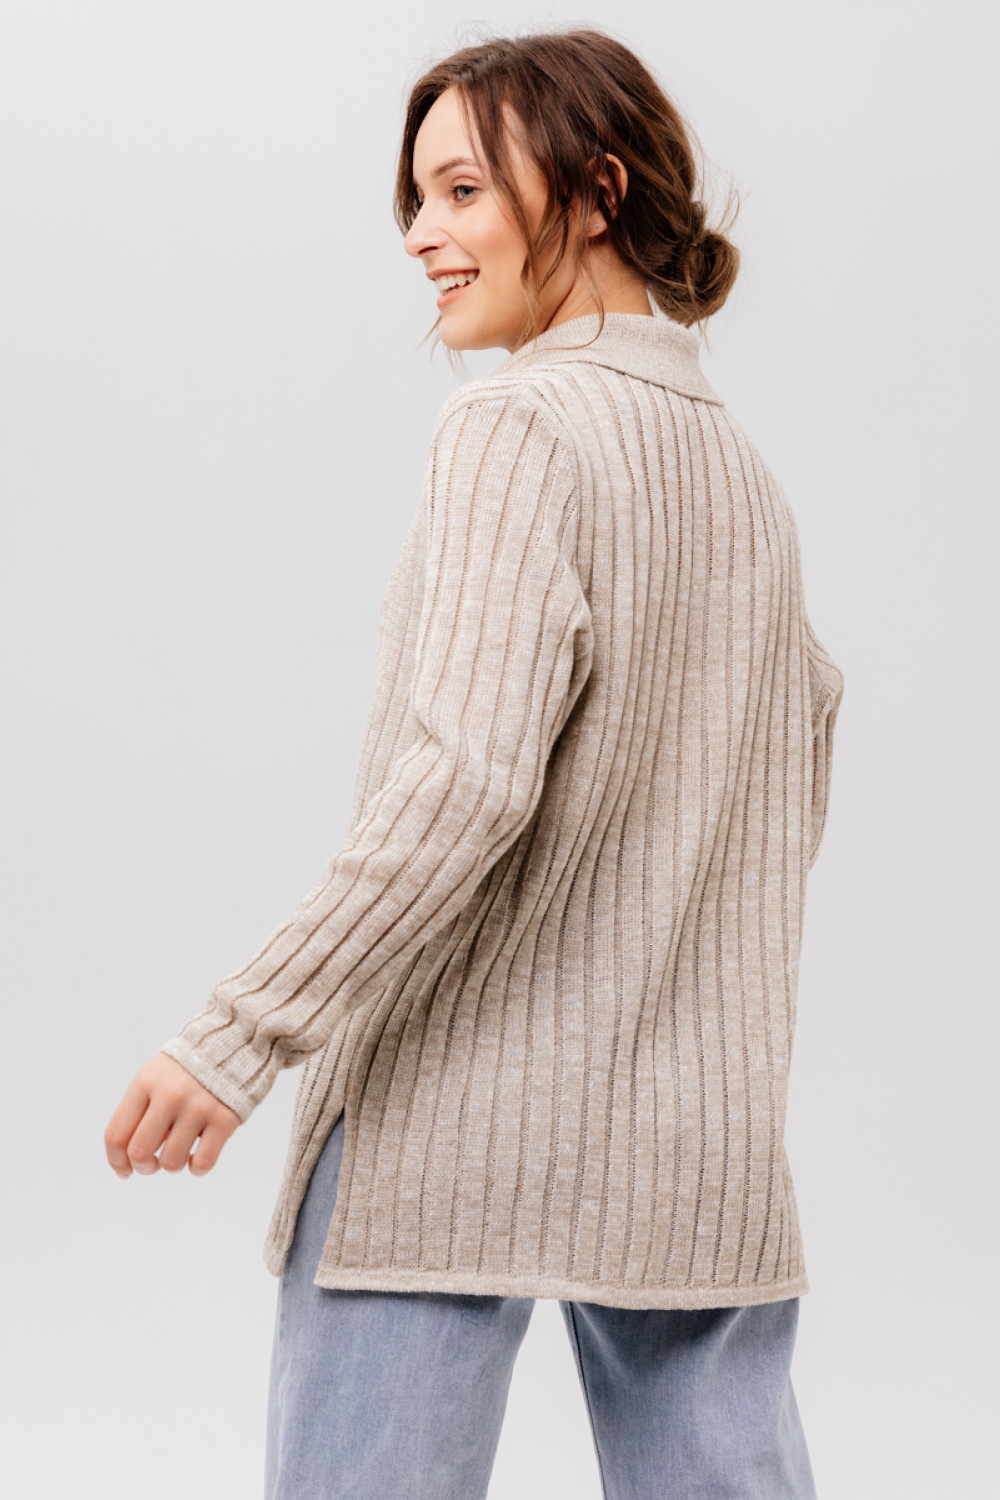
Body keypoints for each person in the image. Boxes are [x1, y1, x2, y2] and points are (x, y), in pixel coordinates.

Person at [104, 27, 845, 1500]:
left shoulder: (516, 422)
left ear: (596, 191)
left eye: (460, 192)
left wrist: (236, 1034)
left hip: (446, 1120)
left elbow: (465, 779)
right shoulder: (740, 469)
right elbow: (790, 779)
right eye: (416, 199)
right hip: (697, 1131)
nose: (420, 236)